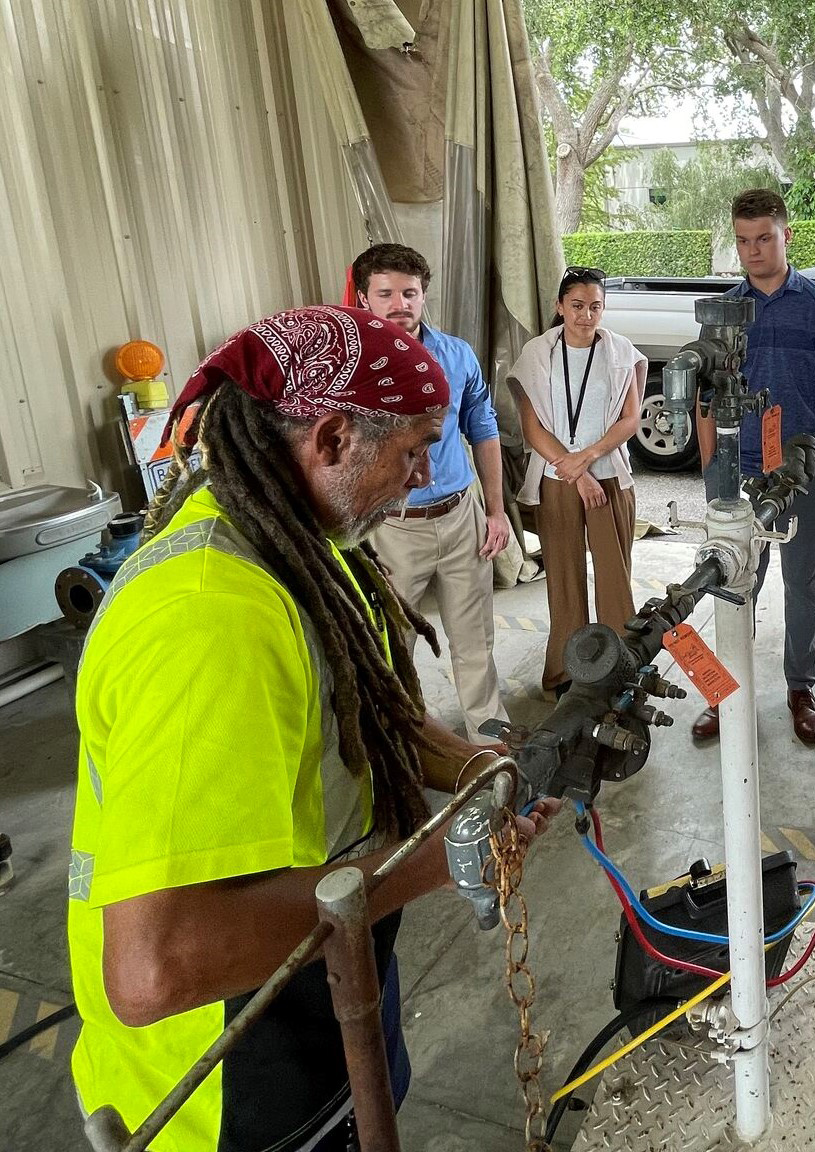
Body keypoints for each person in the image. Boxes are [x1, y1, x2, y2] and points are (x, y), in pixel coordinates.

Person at [67, 305, 562, 1152]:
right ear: (330, 439)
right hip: (222, 1072)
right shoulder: (208, 619)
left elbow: (368, 716)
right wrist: (440, 858)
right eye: (413, 453)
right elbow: (157, 968)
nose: (422, 477)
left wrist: (476, 766)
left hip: (322, 979)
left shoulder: (302, 541)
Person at [692, 188, 815, 745]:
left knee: (803, 585)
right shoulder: (723, 312)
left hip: (807, 470)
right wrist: (709, 463)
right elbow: (703, 396)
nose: (753, 251)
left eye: (764, 238)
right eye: (743, 241)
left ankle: (800, 687)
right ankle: (726, 697)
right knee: (734, 585)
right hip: (739, 473)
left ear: (786, 235)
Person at [353, 243, 509, 741]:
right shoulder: (350, 368)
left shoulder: (457, 356)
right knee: (391, 645)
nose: (400, 304)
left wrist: (497, 512)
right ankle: (403, 744)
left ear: (423, 296)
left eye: (410, 292)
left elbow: (483, 429)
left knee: (474, 641)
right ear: (364, 298)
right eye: (386, 293)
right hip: (391, 526)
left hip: (462, 516)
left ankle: (490, 742)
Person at [506, 266, 648, 694]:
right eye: (577, 306)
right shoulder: (537, 354)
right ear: (560, 307)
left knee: (614, 578)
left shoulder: (623, 352)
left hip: (607, 478)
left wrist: (586, 461)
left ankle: (620, 669)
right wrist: (574, 472)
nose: (587, 315)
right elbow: (532, 429)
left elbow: (630, 420)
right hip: (557, 479)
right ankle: (565, 671)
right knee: (563, 580)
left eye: (596, 306)